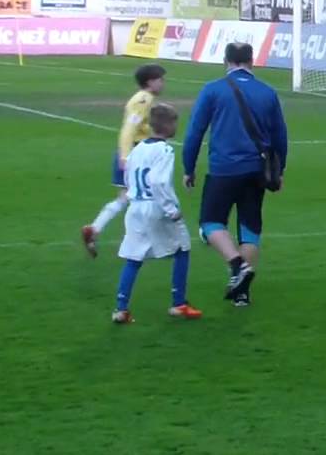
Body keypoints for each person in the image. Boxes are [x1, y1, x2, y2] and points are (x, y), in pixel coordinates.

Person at [182, 42, 288, 307]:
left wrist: (188, 167)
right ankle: (241, 294)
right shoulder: (268, 92)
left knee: (211, 223)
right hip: (257, 171)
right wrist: (280, 170)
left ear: (226, 61)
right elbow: (280, 136)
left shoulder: (213, 90)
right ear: (252, 61)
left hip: (224, 169)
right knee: (249, 228)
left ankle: (238, 266)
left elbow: (195, 131)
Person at [110, 104, 202, 323]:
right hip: (156, 206)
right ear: (169, 125)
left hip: (136, 207)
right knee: (183, 247)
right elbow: (158, 181)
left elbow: (128, 177)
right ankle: (179, 303)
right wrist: (172, 210)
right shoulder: (164, 150)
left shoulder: (138, 149)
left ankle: (121, 309)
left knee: (134, 257)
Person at [82, 64, 168, 257]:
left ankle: (94, 229)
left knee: (127, 197)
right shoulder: (143, 100)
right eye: (161, 79)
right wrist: (125, 155)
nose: (163, 83)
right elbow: (129, 129)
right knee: (148, 195)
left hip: (134, 152)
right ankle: (148, 240)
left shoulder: (145, 99)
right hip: (136, 154)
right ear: (150, 81)